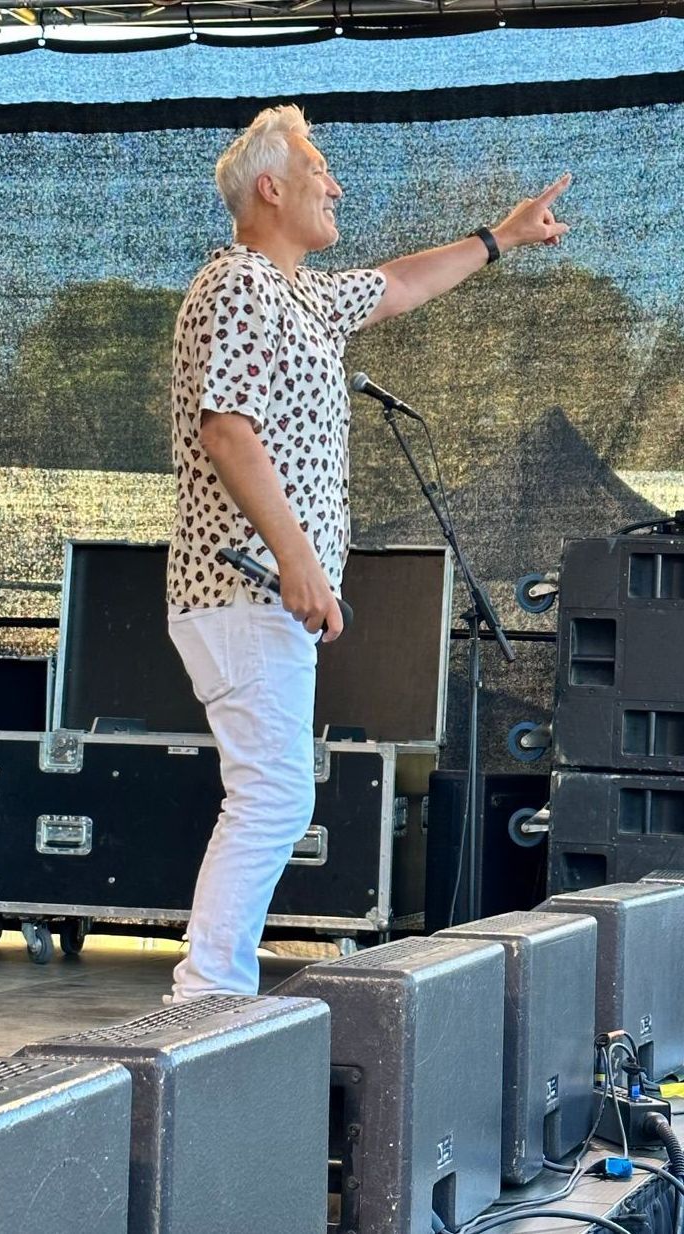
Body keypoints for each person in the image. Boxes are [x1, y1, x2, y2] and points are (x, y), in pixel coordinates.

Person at [165, 104, 570, 1002]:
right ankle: (205, 997)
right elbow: (229, 432)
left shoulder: (300, 293)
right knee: (271, 798)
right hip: (241, 583)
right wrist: (300, 559)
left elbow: (397, 285)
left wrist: (497, 239)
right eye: (319, 170)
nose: (336, 183)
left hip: (265, 591)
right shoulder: (235, 283)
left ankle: (209, 992)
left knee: (272, 794)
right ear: (271, 187)